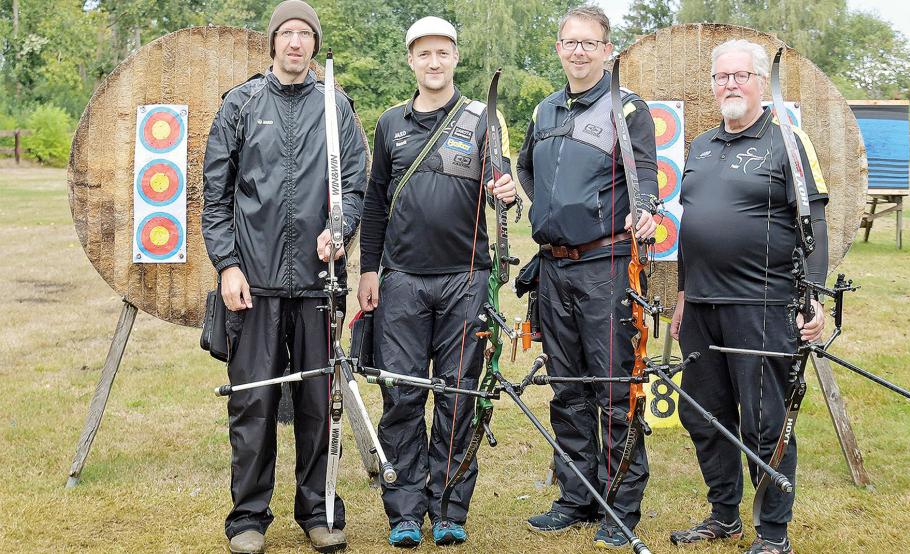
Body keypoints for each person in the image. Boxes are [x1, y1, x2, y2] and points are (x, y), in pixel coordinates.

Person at [201, 1, 368, 552]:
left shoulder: (336, 106)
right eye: (286, 34)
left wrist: (338, 231)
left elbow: (355, 186)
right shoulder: (241, 104)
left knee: (320, 404)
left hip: (320, 285)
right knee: (254, 404)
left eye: (305, 34)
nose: (295, 43)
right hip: (255, 286)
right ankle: (248, 518)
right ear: (272, 42)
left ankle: (318, 513)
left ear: (314, 45)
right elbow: (215, 196)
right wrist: (227, 264)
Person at [355, 15, 517, 549]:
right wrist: (369, 271)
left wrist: (506, 191)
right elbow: (375, 204)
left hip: (466, 279)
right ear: (410, 61)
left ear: (455, 58)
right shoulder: (389, 124)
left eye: (442, 52)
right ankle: (404, 511)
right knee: (400, 395)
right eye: (423, 53)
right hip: (401, 282)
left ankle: (448, 508)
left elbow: (499, 186)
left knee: (456, 396)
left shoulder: (483, 120)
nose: (433, 62)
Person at [668, 39, 828, 554]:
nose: (730, 84)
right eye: (721, 77)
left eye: (740, 75)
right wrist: (683, 295)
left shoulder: (788, 141)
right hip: (702, 308)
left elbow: (815, 226)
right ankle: (723, 516)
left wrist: (814, 298)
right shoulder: (700, 145)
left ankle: (773, 534)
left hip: (762, 306)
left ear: (760, 82)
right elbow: (692, 227)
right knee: (703, 415)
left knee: (765, 422)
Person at [515, 6, 659, 549]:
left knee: (615, 390)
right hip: (554, 269)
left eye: (588, 43)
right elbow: (526, 166)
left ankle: (620, 507)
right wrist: (553, 209)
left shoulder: (628, 108)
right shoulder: (545, 109)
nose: (578, 51)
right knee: (568, 388)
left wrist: (642, 206)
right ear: (559, 48)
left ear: (606, 49)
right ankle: (577, 497)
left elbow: (646, 172)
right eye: (569, 42)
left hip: (606, 267)